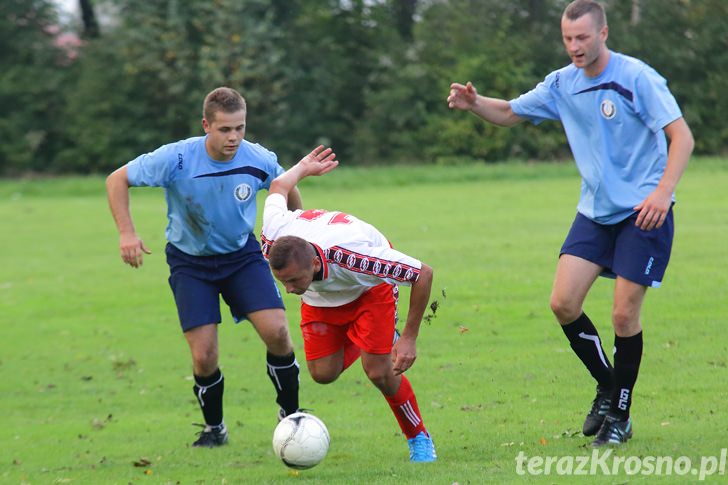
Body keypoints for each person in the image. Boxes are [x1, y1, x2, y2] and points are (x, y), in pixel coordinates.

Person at [447, 0, 693, 447]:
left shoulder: (636, 77)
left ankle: (620, 414)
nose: (574, 47)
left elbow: (682, 136)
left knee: (623, 314)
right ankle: (606, 385)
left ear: (603, 34)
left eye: (582, 38)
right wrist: (474, 103)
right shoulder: (562, 83)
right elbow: (510, 112)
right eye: (567, 39)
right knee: (563, 302)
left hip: (644, 211)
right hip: (596, 211)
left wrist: (662, 192)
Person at [106, 87, 311, 448]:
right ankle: (214, 429)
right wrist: (127, 233)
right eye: (225, 129)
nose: (234, 137)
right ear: (206, 125)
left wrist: (294, 230)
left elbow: (284, 184)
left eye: (240, 128)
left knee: (278, 333)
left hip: (241, 257)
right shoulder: (177, 158)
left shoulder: (257, 157)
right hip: (190, 262)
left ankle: (291, 417)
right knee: (204, 354)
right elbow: (116, 179)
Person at [260, 146, 437, 462]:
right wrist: (302, 167)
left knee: (379, 371)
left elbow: (423, 274)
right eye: (282, 281)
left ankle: (419, 438)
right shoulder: (272, 239)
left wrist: (409, 338)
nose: (287, 291)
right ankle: (370, 341)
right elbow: (278, 187)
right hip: (320, 300)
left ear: (315, 264)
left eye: (294, 282)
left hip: (369, 291)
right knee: (323, 373)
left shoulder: (355, 255)